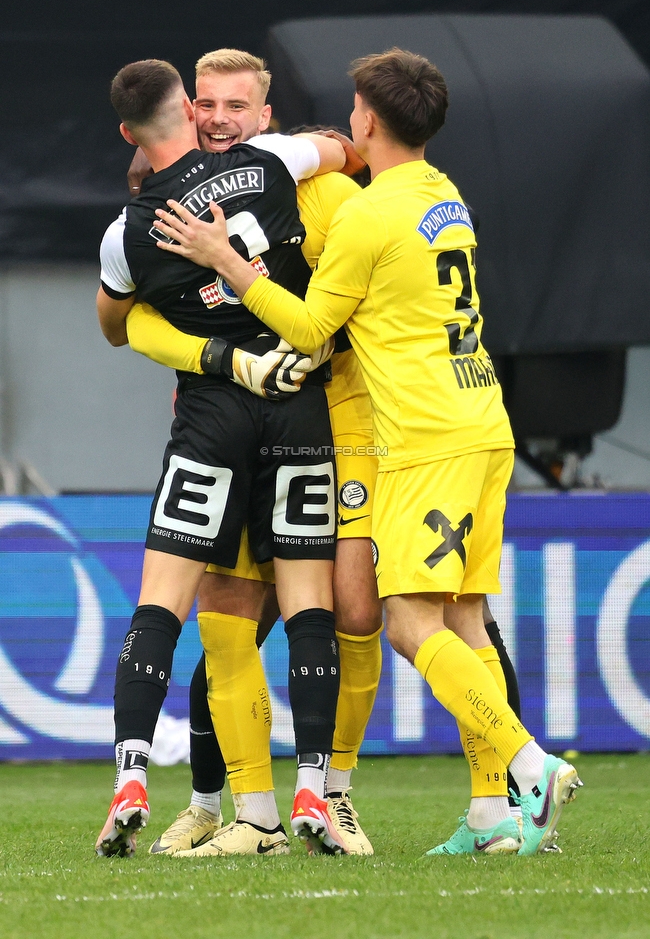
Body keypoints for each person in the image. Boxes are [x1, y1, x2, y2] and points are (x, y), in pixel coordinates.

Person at [152, 48, 583, 856]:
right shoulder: (443, 196)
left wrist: (227, 263)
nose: (216, 120)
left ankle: (527, 765)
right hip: (483, 417)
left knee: (404, 622)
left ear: (367, 121)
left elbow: (312, 328)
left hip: (418, 434)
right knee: (464, 619)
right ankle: (492, 812)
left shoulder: (358, 211)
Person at [121, 50, 383, 858]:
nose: (219, 115)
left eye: (237, 104)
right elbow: (122, 317)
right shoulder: (233, 174)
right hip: (248, 419)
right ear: (188, 110)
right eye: (205, 102)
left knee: (353, 609)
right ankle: (239, 808)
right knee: (228, 621)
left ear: (266, 117)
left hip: (333, 416)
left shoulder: (322, 187)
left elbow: (115, 317)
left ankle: (330, 796)